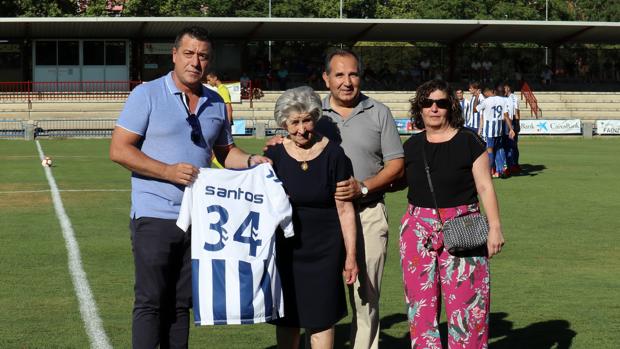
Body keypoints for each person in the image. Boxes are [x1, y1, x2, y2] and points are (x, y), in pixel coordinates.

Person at [109, 26, 270, 349]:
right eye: (189, 53)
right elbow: (119, 150)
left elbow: (226, 153)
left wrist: (254, 161)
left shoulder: (214, 101)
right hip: (154, 215)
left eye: (203, 56)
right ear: (174, 55)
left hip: (200, 218)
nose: (195, 62)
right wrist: (166, 171)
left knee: (181, 304)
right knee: (151, 301)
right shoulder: (147, 94)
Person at [265, 49, 404, 349]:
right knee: (306, 304)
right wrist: (280, 142)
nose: (347, 81)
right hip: (318, 225)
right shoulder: (314, 111)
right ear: (326, 78)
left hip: (365, 211)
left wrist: (363, 188)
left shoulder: (378, 111)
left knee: (365, 296)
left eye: (353, 74)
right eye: (339, 74)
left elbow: (396, 165)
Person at [399, 79, 505, 348]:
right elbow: (391, 177)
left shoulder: (469, 141)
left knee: (469, 307)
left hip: (463, 227)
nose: (434, 108)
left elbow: (484, 186)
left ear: (450, 107)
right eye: (427, 103)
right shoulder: (410, 147)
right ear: (419, 107)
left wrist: (495, 227)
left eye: (441, 103)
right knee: (420, 308)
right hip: (417, 230)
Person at [265, 86, 358, 349]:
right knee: (287, 319)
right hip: (285, 250)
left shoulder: (334, 154)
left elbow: (345, 209)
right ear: (284, 122)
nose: (301, 129)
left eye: (306, 120)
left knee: (321, 320)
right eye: (294, 122)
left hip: (325, 251)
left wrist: (350, 256)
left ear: (315, 118)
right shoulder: (272, 156)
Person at [476, 86, 515, 178]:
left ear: (488, 92)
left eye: (484, 93)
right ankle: (500, 170)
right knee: (498, 149)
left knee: (490, 150)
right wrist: (511, 129)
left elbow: (475, 109)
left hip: (489, 131)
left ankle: (489, 172)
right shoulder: (502, 100)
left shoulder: (485, 101)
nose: (484, 95)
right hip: (499, 130)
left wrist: (477, 97)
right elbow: (506, 116)